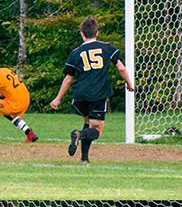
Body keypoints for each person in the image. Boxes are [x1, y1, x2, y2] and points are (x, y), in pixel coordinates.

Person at [50, 17, 135, 164]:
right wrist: (129, 83)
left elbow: (69, 78)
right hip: (97, 93)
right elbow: (121, 67)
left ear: (82, 34)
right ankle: (79, 134)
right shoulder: (107, 48)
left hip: (80, 94)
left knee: (87, 122)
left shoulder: (75, 53)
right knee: (97, 130)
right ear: (97, 33)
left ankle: (84, 159)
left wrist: (58, 98)